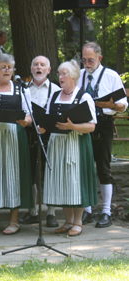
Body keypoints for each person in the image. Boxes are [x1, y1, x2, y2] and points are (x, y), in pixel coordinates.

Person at [41, 60, 98, 236]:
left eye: (64, 73)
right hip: (57, 145)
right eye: (59, 73)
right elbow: (48, 119)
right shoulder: (54, 96)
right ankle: (67, 221)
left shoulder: (84, 97)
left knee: (75, 181)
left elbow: (91, 126)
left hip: (76, 144)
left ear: (73, 76)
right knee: (62, 181)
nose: (60, 77)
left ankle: (78, 222)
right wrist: (42, 127)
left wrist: (73, 127)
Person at [79, 42, 128, 228]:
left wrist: (111, 106)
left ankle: (106, 211)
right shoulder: (80, 75)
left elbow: (123, 105)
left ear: (99, 58)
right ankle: (87, 210)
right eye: (84, 60)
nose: (87, 63)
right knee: (85, 168)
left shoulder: (111, 76)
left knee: (103, 168)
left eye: (90, 60)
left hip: (103, 125)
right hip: (84, 125)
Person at [0, 54, 33, 235]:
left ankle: (14, 220)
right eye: (2, 67)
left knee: (14, 175)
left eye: (9, 67)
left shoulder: (21, 89)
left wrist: (27, 121)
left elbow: (29, 114)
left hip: (14, 135)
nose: (6, 70)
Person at [19, 55, 61, 228]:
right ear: (31, 69)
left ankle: (51, 212)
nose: (39, 67)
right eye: (35, 64)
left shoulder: (56, 89)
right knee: (30, 172)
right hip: (28, 134)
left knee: (48, 172)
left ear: (49, 70)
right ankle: (32, 212)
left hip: (48, 134)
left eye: (42, 65)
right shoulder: (23, 89)